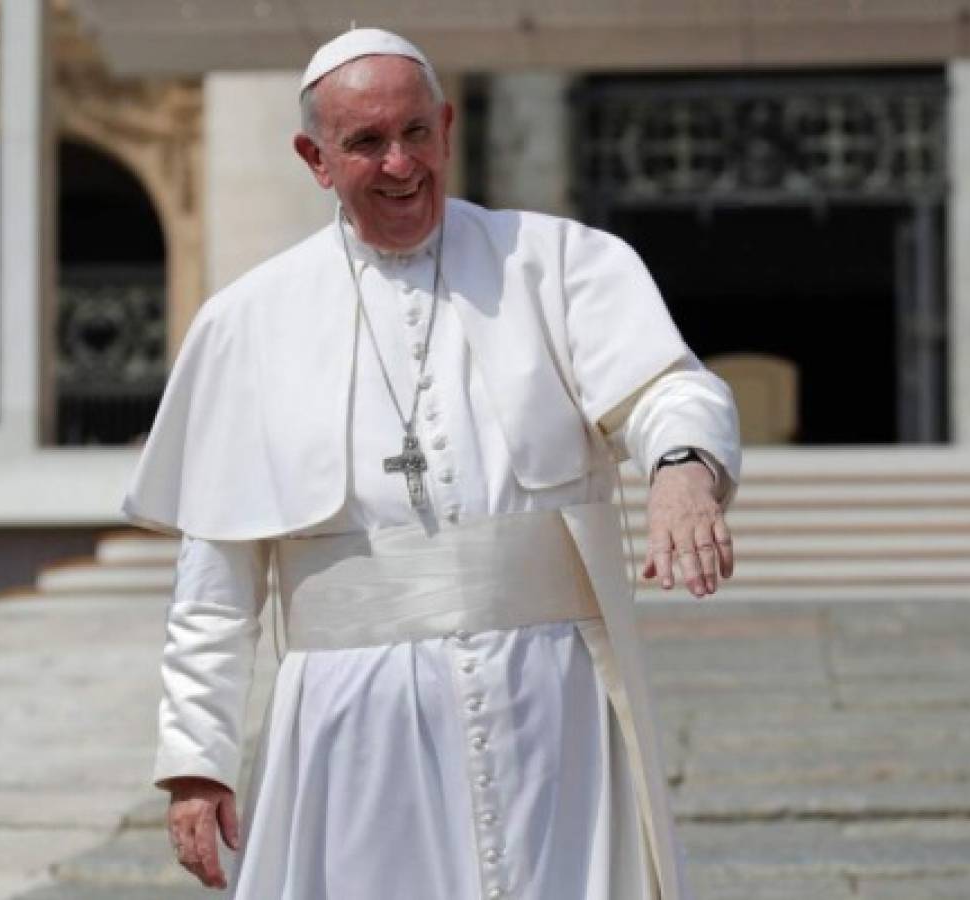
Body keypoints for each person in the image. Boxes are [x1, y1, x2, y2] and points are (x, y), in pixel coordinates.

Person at [124, 27, 740, 900]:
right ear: (315, 157)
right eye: (365, 143)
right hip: (350, 723)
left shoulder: (558, 263)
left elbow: (668, 390)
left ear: (447, 127)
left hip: (548, 700)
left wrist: (682, 467)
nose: (400, 163)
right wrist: (196, 759)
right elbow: (215, 575)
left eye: (415, 133)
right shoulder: (246, 322)